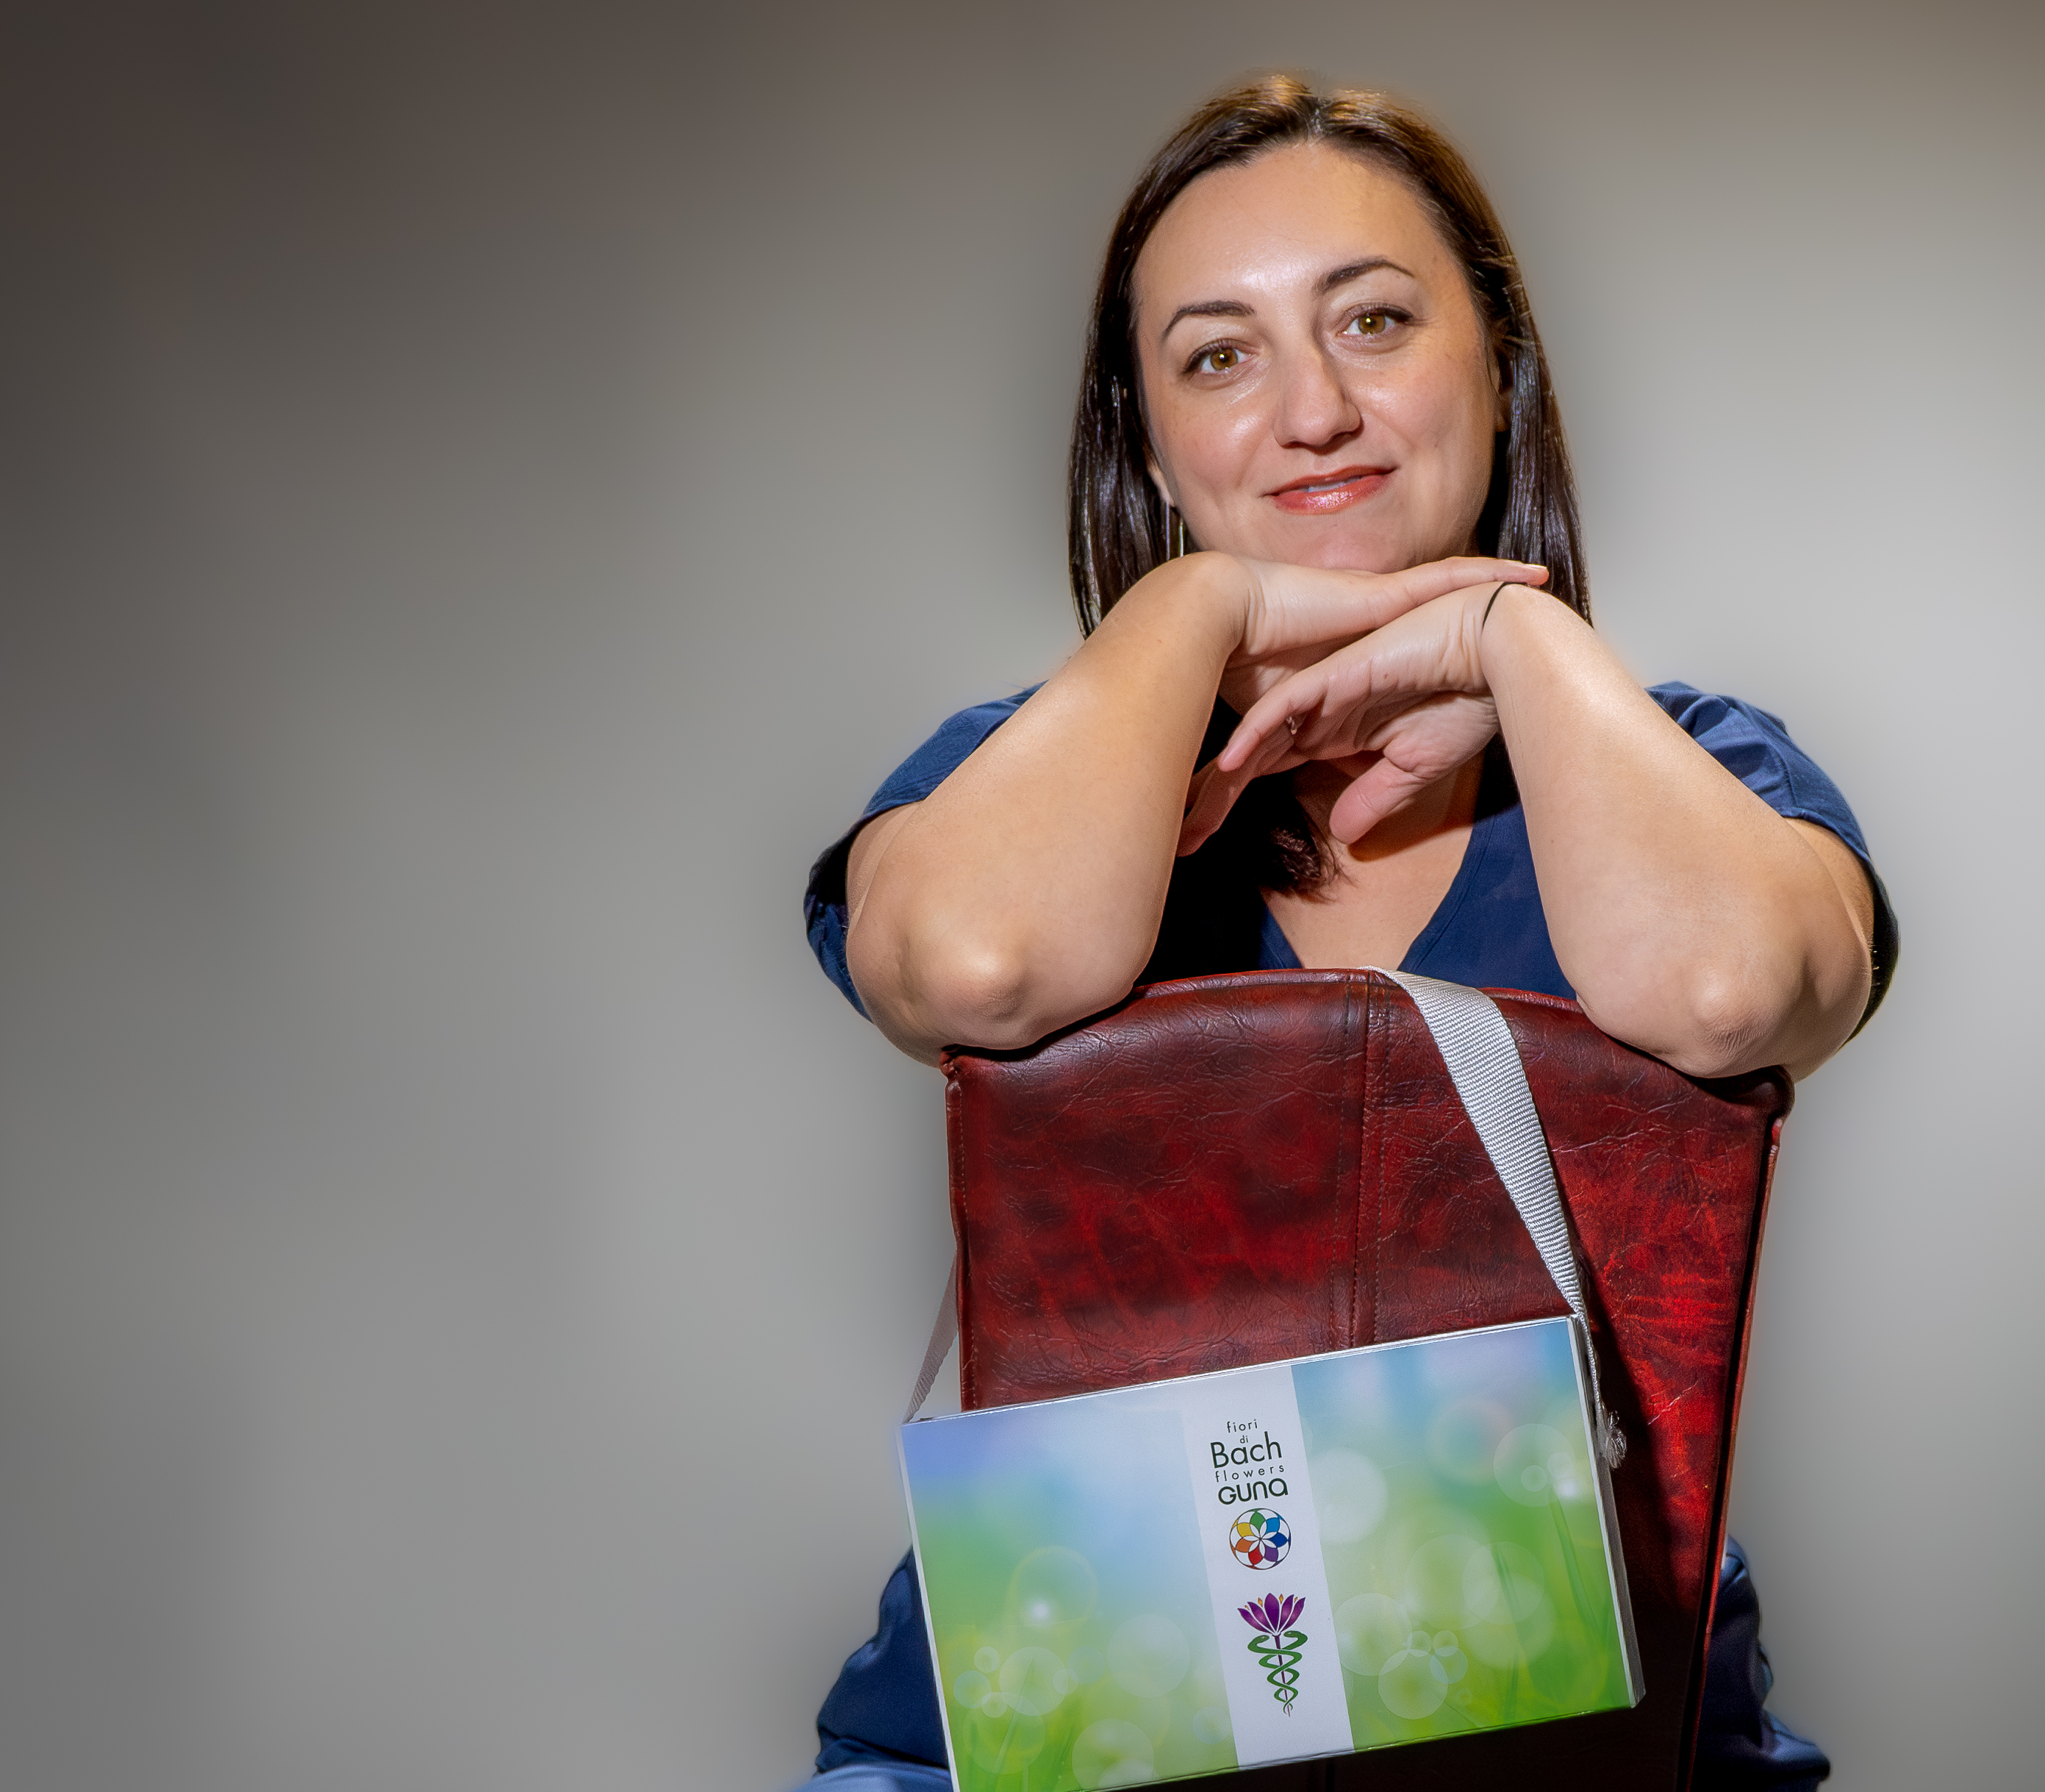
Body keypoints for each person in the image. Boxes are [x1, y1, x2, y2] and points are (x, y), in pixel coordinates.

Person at [798, 76, 1893, 1790]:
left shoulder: (1693, 767)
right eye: (1217, 357)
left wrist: (1511, 640)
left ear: (1498, 371)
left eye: (1374, 321)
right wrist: (1199, 603)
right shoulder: (1025, 770)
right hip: (1077, 1720)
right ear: (1147, 448)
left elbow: (1723, 988)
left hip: (1581, 1734)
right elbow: (977, 966)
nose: (1312, 411)